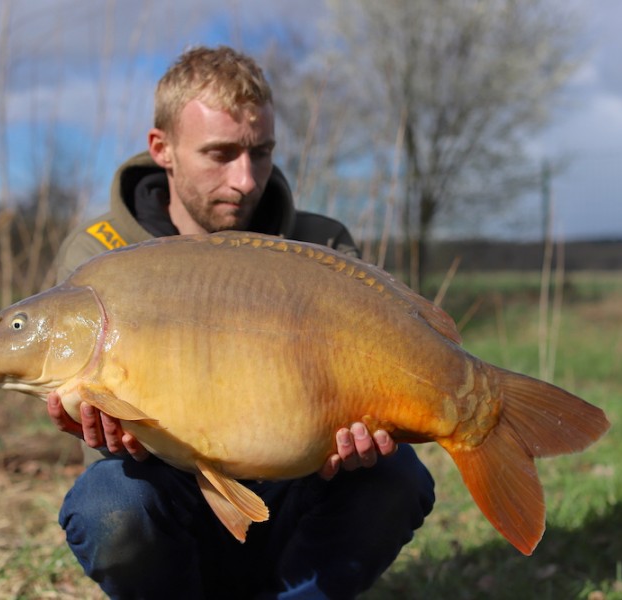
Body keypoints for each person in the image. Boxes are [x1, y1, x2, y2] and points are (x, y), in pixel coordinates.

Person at [47, 45, 435, 600]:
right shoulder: (97, 258)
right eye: (220, 154)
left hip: (297, 503)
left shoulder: (321, 245)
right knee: (110, 505)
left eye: (261, 152)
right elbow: (96, 435)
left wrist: (361, 439)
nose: (246, 179)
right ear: (163, 149)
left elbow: (363, 412)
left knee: (396, 478)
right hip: (172, 511)